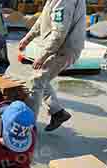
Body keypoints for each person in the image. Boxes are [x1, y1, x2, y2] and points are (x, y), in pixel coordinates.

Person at [19, 0, 86, 131]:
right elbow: (42, 20)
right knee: (42, 80)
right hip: (59, 47)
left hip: (62, 49)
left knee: (37, 81)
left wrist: (43, 56)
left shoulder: (63, 1)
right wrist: (27, 39)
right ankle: (58, 113)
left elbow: (59, 33)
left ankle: (28, 127)